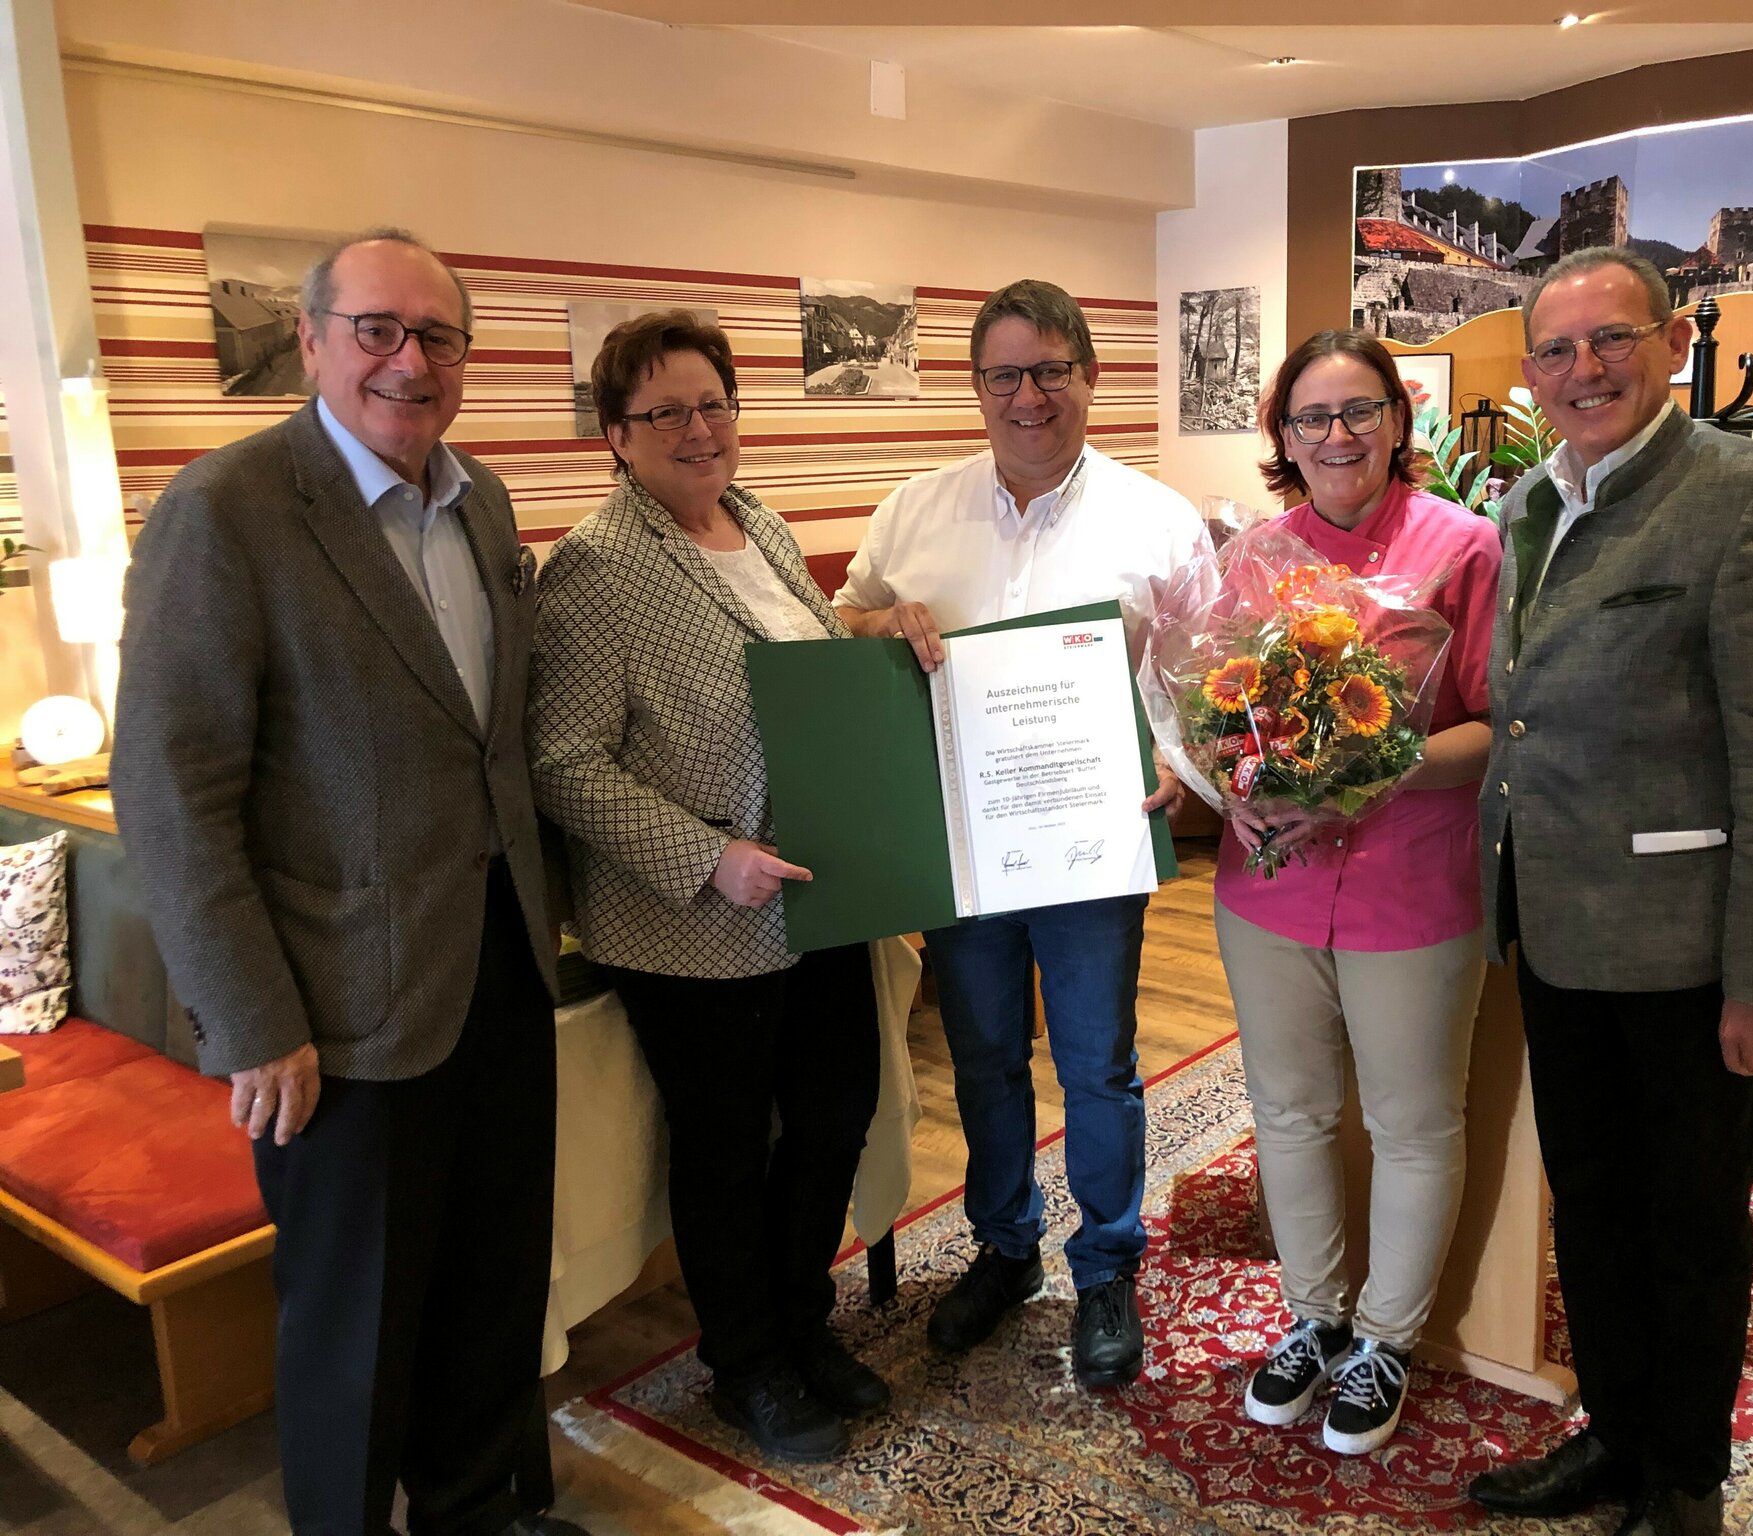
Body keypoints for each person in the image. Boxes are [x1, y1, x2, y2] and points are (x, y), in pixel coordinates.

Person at [113, 230, 582, 1536]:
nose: (407, 360)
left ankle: (476, 1508)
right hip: (334, 1016)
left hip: (497, 967)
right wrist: (253, 1020)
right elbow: (169, 792)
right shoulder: (228, 511)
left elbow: (495, 739)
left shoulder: (478, 502)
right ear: (312, 340)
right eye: (376, 329)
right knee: (356, 1327)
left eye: (437, 336)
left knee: (490, 1286)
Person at [1466, 247, 1753, 1536]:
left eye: (1610, 340)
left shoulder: (1747, 497)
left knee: (1689, 1224)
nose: (1585, 371)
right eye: (1557, 352)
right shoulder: (1529, 501)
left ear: (1671, 343)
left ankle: (1682, 1476)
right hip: (1555, 932)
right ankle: (1615, 1433)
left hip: (1686, 952)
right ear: (1528, 374)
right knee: (1594, 1206)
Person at [833, 279, 1206, 1389]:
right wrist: (878, 622)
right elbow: (843, 620)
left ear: (1088, 377)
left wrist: (1179, 769)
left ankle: (1103, 1268)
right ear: (977, 387)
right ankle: (1004, 1250)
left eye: (1050, 370)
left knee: (1096, 1064)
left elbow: (1204, 677)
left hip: (1092, 840)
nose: (1028, 396)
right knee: (986, 1058)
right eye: (1004, 374)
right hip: (963, 845)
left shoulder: (1155, 519)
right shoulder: (914, 509)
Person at [526, 311, 882, 1464]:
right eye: (664, 412)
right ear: (614, 437)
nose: (697, 429)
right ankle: (747, 1365)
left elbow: (818, 670)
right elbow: (561, 761)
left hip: (816, 889)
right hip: (692, 922)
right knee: (727, 1151)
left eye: (713, 403)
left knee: (832, 1113)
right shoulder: (597, 566)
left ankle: (798, 1319)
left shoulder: (761, 524)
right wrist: (703, 856)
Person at [1215, 331, 1499, 1455]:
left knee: (1412, 1121)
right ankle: (1313, 1318)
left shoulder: (1462, 546)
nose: (1335, 436)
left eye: (1358, 412)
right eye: (1310, 418)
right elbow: (1221, 721)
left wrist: (1367, 770)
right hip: (1268, 886)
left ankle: (1384, 1338)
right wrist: (1229, 782)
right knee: (1286, 1113)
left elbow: (1489, 730)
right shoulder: (1249, 558)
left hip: (1410, 886)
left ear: (1397, 418)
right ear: (1280, 437)